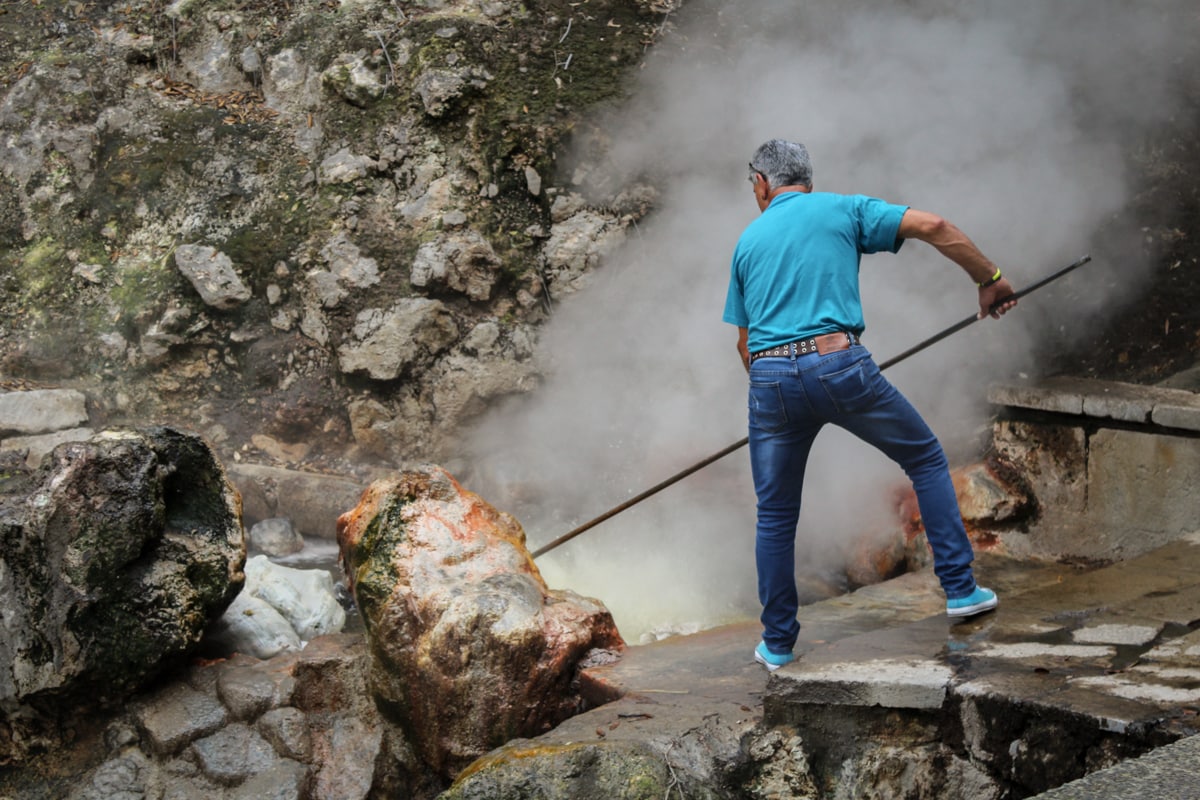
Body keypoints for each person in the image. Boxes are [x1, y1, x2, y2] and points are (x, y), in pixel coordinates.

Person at [723, 139, 1016, 672]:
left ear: (762, 183)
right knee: (924, 457)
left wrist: (779, 394)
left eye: (751, 184)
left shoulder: (747, 243)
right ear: (804, 180)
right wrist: (989, 279)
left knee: (776, 514)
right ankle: (960, 590)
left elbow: (744, 345)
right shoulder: (844, 208)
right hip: (838, 364)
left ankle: (778, 645)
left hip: (769, 380)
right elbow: (935, 226)